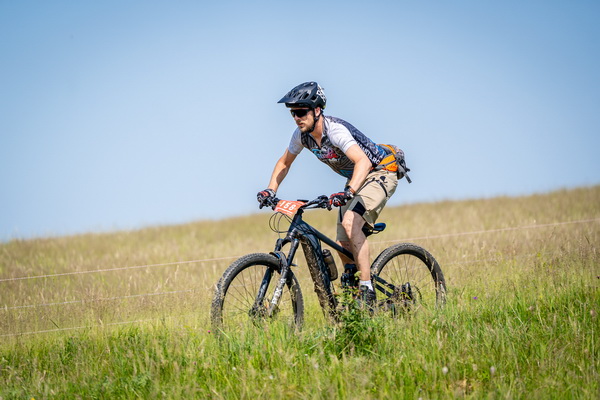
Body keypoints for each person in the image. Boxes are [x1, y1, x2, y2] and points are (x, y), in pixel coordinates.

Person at [257, 81, 407, 306]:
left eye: (301, 112)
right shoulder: (301, 135)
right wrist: (271, 189)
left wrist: (349, 191)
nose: (297, 118)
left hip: (380, 171)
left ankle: (366, 288)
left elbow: (363, 162)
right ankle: (353, 290)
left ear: (317, 110)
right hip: (357, 178)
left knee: (351, 223)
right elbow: (284, 162)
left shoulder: (334, 131)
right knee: (342, 240)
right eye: (293, 113)